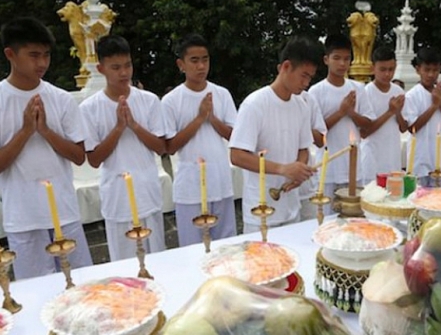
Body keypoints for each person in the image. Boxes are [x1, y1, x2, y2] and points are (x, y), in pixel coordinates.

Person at [0, 17, 92, 279]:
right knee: (35, 291)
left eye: (46, 55)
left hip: (64, 212)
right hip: (24, 216)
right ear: (10, 54)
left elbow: (78, 155)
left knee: (79, 284)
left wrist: (46, 132)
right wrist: (26, 130)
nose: (42, 63)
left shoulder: (60, 99)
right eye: (33, 55)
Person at [80, 35, 166, 261]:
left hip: (147, 190)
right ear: (101, 68)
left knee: (158, 259)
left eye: (127, 65)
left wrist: (135, 125)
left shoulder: (149, 101)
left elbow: (161, 147)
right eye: (115, 67)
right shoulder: (89, 108)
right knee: (125, 265)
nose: (123, 73)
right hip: (118, 196)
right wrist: (118, 127)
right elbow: (95, 159)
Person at [229, 36, 321, 233]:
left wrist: (300, 170)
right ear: (286, 67)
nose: (306, 83)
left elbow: (303, 147)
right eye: (303, 75)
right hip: (261, 211)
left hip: (290, 207)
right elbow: (237, 155)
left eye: (310, 78)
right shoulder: (255, 104)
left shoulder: (302, 106)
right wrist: (283, 169)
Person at [161, 34, 237, 245]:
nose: (201, 65)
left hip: (220, 180)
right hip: (190, 187)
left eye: (205, 59)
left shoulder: (221, 94)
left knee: (226, 244)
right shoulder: (171, 101)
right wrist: (199, 118)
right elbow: (170, 146)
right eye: (194, 60)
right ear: (181, 64)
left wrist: (212, 118)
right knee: (192, 247)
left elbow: (234, 135)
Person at [308, 34, 374, 211]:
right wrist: (341, 112)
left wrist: (351, 112)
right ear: (326, 59)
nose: (342, 64)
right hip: (328, 167)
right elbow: (316, 135)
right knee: (326, 215)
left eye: (346, 59)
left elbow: (368, 124)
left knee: (353, 213)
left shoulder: (358, 89)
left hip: (353, 167)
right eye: (337, 58)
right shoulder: (316, 92)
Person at [404, 47, 441, 186]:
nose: (431, 74)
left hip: (439, 158)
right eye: (427, 70)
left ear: (440, 69)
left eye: (435, 70)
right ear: (418, 69)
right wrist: (433, 106)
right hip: (419, 158)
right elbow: (412, 127)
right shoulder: (412, 95)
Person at [360, 46, 407, 184]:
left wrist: (397, 112)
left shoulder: (398, 91)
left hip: (392, 156)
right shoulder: (366, 93)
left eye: (391, 69)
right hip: (372, 158)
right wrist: (390, 112)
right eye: (382, 69)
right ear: (372, 68)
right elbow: (364, 132)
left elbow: (404, 128)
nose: (387, 74)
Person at [297, 91, 326, 221]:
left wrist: (302, 123)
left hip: (306, 184)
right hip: (280, 183)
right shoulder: (264, 101)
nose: (305, 82)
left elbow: (321, 140)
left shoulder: (308, 99)